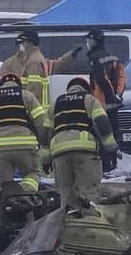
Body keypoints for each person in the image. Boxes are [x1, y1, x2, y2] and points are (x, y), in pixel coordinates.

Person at [0, 71, 47, 196]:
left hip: (0, 149)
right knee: (32, 173)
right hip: (25, 146)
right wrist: (44, 146)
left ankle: (6, 208)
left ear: (1, 85)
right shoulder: (27, 96)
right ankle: (25, 192)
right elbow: (41, 122)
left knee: (2, 186)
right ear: (18, 85)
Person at [47, 74, 117, 208]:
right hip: (85, 152)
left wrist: (45, 159)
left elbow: (46, 132)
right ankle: (90, 224)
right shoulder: (90, 100)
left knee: (66, 194)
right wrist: (111, 149)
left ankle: (68, 224)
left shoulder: (55, 103)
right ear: (86, 89)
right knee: (88, 192)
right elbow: (102, 124)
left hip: (60, 153)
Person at [0, 29, 52, 107]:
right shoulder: (35, 58)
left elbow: (33, 88)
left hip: (34, 107)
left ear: (29, 43)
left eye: (24, 42)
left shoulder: (33, 61)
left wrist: (26, 106)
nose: (22, 44)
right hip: (38, 106)